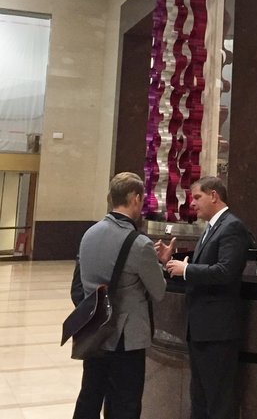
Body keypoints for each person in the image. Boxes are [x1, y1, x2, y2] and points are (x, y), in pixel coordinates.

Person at [71, 172, 175, 419]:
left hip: (94, 332)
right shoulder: (139, 243)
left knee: (90, 395)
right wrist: (161, 263)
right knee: (125, 403)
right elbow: (158, 291)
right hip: (126, 339)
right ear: (136, 198)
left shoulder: (89, 234)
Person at [162, 176, 250, 419]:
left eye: (198, 197)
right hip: (201, 329)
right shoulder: (211, 228)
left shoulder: (232, 226)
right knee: (200, 399)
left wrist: (187, 269)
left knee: (219, 402)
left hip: (217, 332)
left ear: (214, 195)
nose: (193, 204)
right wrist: (170, 263)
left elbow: (226, 272)